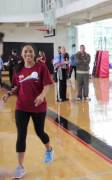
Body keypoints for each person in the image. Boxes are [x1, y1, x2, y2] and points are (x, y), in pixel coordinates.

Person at [1, 45, 54, 179]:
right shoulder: (17, 69)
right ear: (22, 54)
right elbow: (15, 87)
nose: (28, 53)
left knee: (39, 132)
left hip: (38, 106)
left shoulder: (41, 67)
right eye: (25, 51)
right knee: (21, 134)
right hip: (21, 107)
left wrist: (42, 96)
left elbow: (47, 84)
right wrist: (8, 94)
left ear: (34, 54)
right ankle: (20, 167)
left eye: (30, 51)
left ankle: (49, 149)